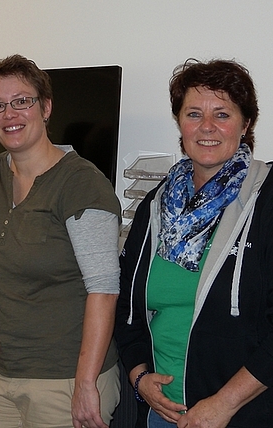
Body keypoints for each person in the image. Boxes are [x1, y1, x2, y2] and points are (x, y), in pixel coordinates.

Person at [0, 54, 122, 428]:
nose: (10, 114)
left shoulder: (81, 183)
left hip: (65, 381)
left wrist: (85, 384)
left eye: (22, 101)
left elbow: (104, 289)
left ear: (46, 107)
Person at [115, 59, 273, 427]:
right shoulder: (156, 205)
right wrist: (139, 375)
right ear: (180, 123)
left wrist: (224, 404)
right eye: (193, 113)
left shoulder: (266, 200)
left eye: (222, 114)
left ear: (245, 123)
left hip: (243, 414)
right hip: (163, 412)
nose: (207, 127)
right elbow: (126, 304)